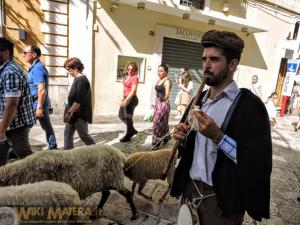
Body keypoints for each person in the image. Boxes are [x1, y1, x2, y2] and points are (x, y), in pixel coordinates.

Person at [171, 30, 272, 225]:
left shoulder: (250, 106)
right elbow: (191, 149)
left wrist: (218, 136)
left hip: (221, 202)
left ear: (233, 64)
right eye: (204, 59)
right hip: (190, 191)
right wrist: (182, 137)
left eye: (214, 59)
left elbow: (257, 162)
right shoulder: (198, 100)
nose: (206, 65)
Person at [0, 38, 35, 166]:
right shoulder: (4, 70)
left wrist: (1, 130)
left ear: (5, 53)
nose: (24, 55)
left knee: (24, 155)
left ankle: (44, 176)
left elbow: (12, 104)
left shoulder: (10, 72)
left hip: (16, 124)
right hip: (8, 122)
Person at [23, 45, 57, 149]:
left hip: (36, 104)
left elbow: (41, 89)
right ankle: (53, 146)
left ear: (33, 54)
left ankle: (18, 149)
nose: (23, 55)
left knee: (24, 128)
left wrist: (39, 107)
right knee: (46, 126)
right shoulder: (34, 67)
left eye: (25, 53)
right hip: (38, 103)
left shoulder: (37, 68)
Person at [63, 57, 95, 150]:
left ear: (76, 68)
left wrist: (69, 113)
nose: (68, 72)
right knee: (67, 135)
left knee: (84, 136)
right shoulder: (77, 79)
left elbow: (78, 102)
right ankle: (68, 155)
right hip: (73, 114)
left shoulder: (82, 80)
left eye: (69, 69)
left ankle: (99, 151)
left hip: (79, 115)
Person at [118, 61, 139, 142]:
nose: (130, 71)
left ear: (135, 70)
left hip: (131, 99)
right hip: (126, 98)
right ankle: (132, 129)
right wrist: (123, 98)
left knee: (128, 117)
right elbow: (126, 89)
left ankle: (129, 134)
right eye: (129, 69)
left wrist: (126, 100)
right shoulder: (128, 76)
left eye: (132, 70)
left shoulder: (135, 77)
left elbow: (133, 90)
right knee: (121, 115)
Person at [152, 64, 172, 149]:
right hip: (157, 103)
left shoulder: (167, 81)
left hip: (163, 104)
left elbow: (167, 94)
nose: (159, 73)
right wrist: (154, 102)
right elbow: (157, 92)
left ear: (166, 72)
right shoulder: (159, 80)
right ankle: (166, 137)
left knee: (158, 123)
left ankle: (157, 141)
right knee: (163, 123)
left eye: (161, 71)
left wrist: (163, 99)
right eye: (158, 71)